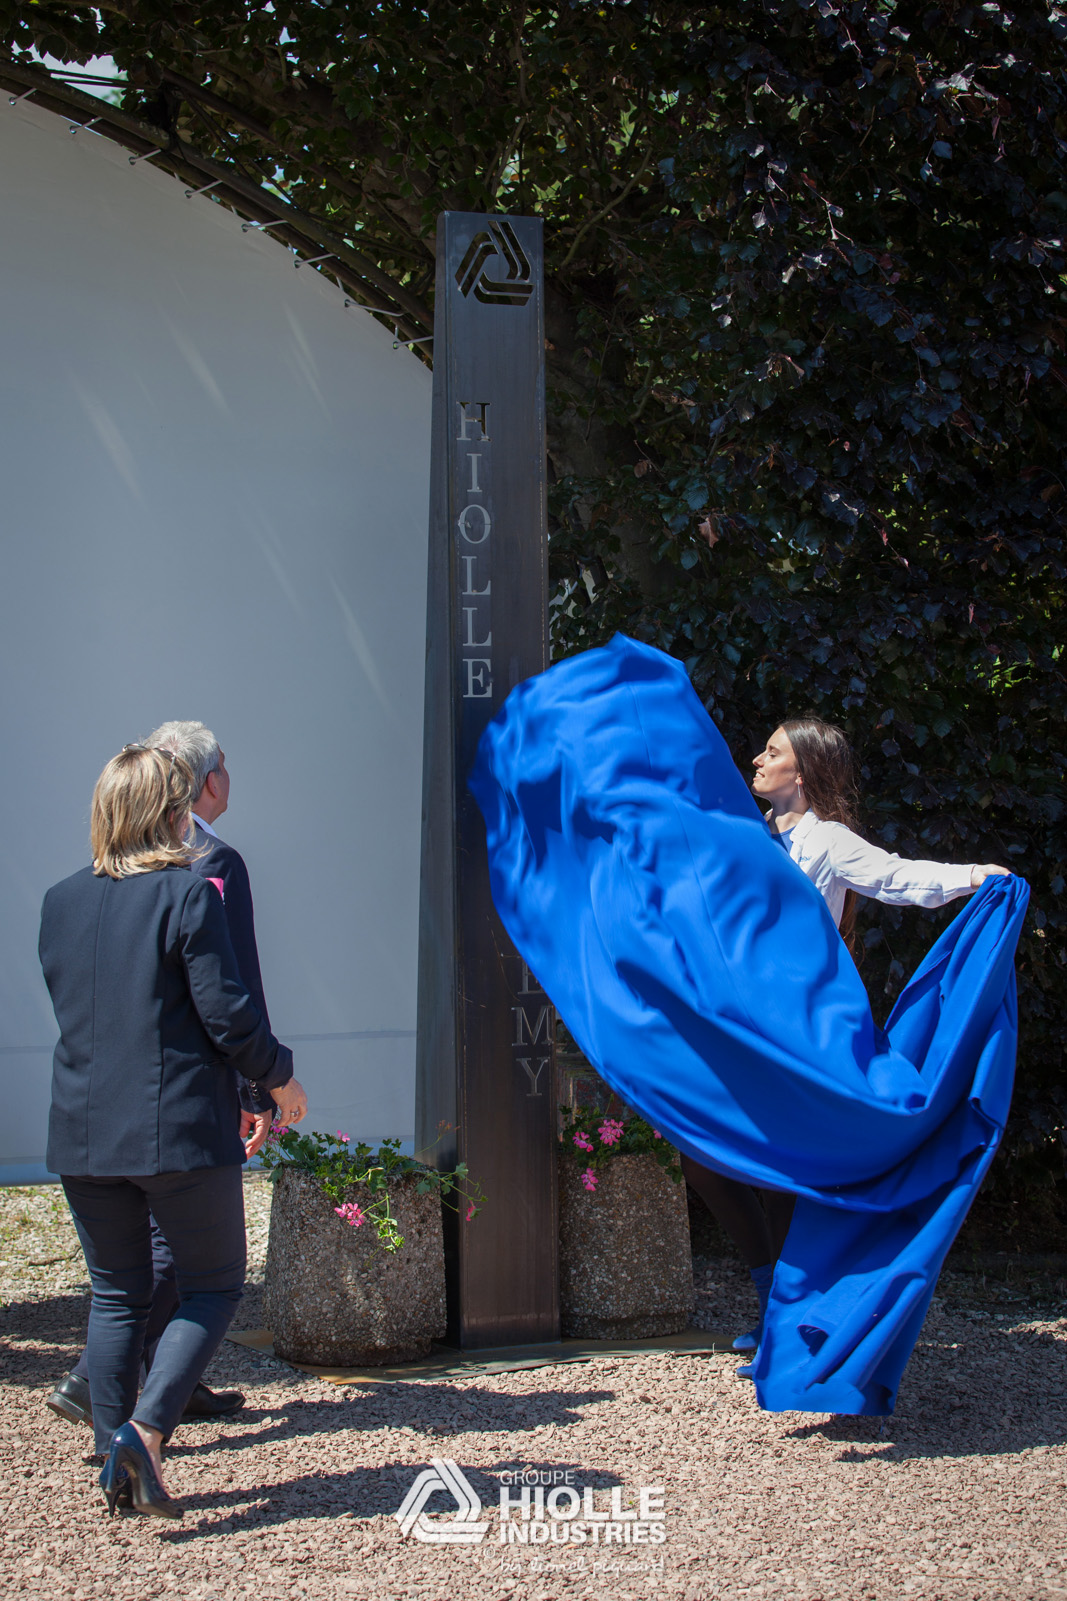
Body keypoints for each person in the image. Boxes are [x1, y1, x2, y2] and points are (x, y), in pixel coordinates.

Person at [678, 715, 1009, 1371]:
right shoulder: (750, 834)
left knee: (779, 1171)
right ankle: (771, 1292)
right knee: (703, 1159)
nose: (756, 758)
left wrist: (974, 875)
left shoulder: (825, 840)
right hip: (739, 1031)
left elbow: (894, 876)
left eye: (772, 751)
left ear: (801, 773)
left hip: (794, 1036)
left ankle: (783, 1316)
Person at [39, 744, 308, 1518]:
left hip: (83, 1131)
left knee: (117, 1294)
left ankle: (114, 1456)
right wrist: (277, 1080)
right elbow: (228, 1014)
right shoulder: (189, 894)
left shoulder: (59, 899)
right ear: (167, 813)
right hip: (177, 1127)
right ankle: (145, 1431)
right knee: (214, 1284)